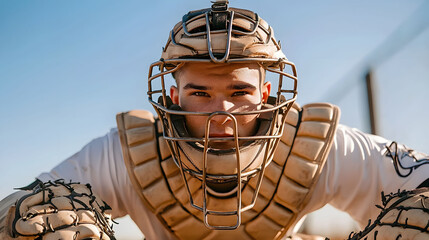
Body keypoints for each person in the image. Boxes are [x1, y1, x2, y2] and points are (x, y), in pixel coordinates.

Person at [1, 1, 429, 239]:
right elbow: (21, 212)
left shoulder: (318, 146)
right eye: (200, 93)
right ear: (172, 96)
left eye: (239, 92)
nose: (221, 112)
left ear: (265, 94)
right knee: (41, 222)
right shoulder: (125, 153)